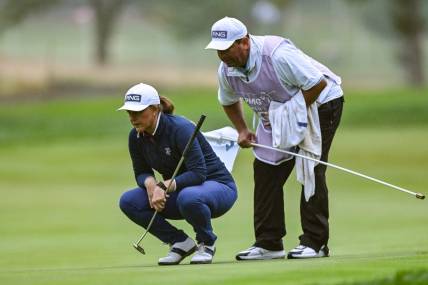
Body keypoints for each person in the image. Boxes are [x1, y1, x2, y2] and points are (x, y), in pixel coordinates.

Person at [205, 17, 344, 260]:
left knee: (310, 166)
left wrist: (289, 115)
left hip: (320, 103)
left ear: (244, 42)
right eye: (218, 51)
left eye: (226, 49)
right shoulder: (227, 71)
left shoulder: (277, 55)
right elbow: (228, 100)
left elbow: (317, 83)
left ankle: (315, 243)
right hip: (276, 114)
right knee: (266, 169)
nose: (223, 56)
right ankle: (269, 243)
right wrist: (242, 130)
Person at [118, 83, 237, 265]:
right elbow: (141, 171)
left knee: (189, 196)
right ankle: (180, 242)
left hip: (217, 188)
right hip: (180, 192)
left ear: (155, 109)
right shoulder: (135, 136)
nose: (133, 118)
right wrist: (151, 184)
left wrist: (163, 186)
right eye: (129, 113)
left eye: (138, 112)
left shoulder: (180, 129)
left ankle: (206, 243)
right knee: (129, 201)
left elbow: (198, 174)